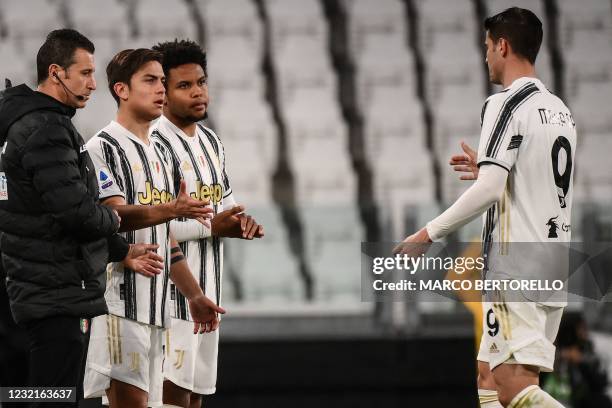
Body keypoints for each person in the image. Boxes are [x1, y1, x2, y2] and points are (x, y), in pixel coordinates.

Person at [396, 7, 576, 407]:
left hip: (517, 263)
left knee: (514, 386)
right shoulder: (560, 109)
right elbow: (535, 176)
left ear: (503, 46)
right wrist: (491, 162)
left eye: (487, 47)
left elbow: (490, 191)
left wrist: (428, 234)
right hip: (553, 260)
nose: (486, 57)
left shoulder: (504, 103)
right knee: (488, 376)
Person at [0, 29, 167, 406]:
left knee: (28, 395)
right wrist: (117, 218)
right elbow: (76, 212)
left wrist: (118, 248)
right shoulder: (46, 127)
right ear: (56, 72)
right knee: (53, 397)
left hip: (33, 286)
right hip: (55, 292)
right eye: (86, 73)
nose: (94, 85)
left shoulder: (25, 122)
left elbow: (54, 206)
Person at [83, 48, 224, 408]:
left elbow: (166, 238)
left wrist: (193, 295)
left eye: (162, 80)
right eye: (150, 80)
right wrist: (169, 209)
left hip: (158, 309)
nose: (160, 88)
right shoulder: (102, 147)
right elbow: (112, 215)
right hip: (118, 306)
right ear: (121, 90)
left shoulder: (159, 152)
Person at [150, 39, 264, 408]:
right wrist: (214, 227)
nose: (198, 92)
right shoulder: (153, 145)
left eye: (201, 82)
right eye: (184, 85)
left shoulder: (211, 141)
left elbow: (224, 205)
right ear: (162, 93)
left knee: (196, 397)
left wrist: (241, 222)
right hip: (168, 296)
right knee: (171, 398)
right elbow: (150, 228)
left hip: (208, 293)